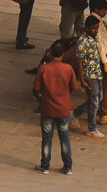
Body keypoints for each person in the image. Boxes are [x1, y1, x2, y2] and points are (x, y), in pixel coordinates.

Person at [34, 41, 78, 174]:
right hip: (63, 109)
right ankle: (68, 167)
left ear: (51, 53)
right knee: (64, 138)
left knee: (46, 138)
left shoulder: (44, 68)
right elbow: (74, 87)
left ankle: (45, 166)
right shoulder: (68, 69)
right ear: (63, 54)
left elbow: (36, 87)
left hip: (47, 109)